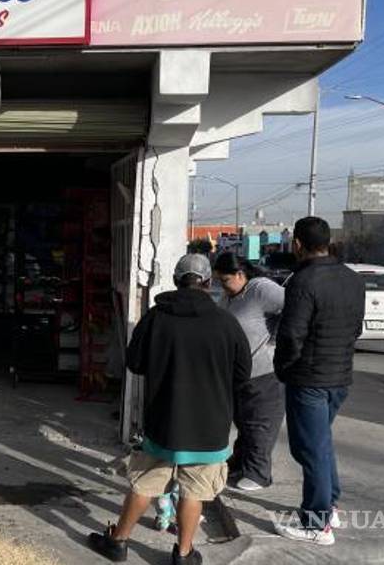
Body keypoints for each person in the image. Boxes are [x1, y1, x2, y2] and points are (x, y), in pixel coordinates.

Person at [89, 254, 251, 565]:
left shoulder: (155, 318)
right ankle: (184, 553)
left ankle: (118, 542)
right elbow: (242, 374)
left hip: (164, 421)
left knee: (146, 483)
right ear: (207, 283)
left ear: (177, 281)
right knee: (194, 491)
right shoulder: (225, 322)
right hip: (210, 425)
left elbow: (134, 363)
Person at [273, 217, 365, 545]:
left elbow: (291, 335)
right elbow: (357, 328)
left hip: (309, 378)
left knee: (309, 449)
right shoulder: (353, 279)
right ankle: (330, 505)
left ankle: (316, 523)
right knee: (321, 444)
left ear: (297, 244)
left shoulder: (303, 281)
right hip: (340, 376)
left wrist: (284, 368)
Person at [213, 252, 285, 492]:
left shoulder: (260, 289)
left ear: (240, 274)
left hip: (263, 371)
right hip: (238, 373)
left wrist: (275, 339)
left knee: (260, 423)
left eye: (224, 280)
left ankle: (258, 473)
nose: (221, 286)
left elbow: (295, 308)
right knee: (243, 422)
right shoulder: (230, 296)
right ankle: (241, 464)